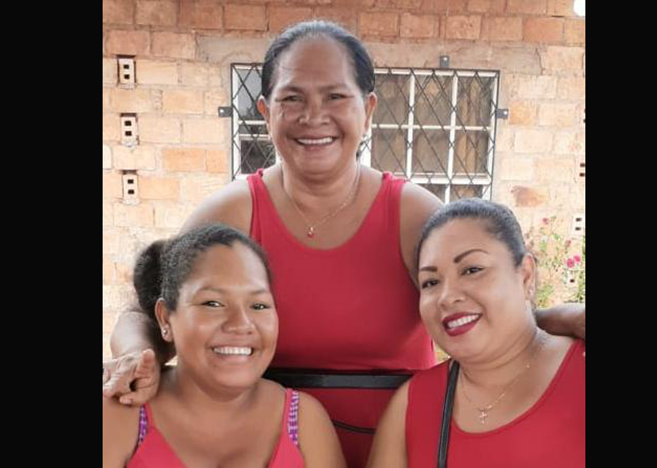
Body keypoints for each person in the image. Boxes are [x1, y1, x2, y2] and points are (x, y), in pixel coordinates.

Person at [102, 20, 586, 468]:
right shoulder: (230, 214)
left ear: (368, 109)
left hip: (406, 445)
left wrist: (564, 317)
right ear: (266, 112)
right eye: (292, 99)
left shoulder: (413, 215)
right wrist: (135, 358)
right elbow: (152, 309)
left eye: (335, 96)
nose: (314, 116)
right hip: (268, 448)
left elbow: (477, 303)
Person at [102, 223, 346, 467]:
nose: (241, 324)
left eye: (259, 305)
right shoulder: (121, 412)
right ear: (165, 318)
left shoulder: (304, 422)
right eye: (213, 303)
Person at [367, 199, 584, 467]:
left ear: (526, 276)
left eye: (472, 270)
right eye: (431, 282)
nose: (447, 297)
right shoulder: (412, 405)